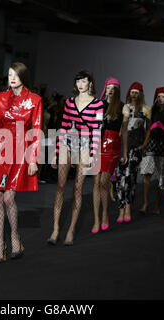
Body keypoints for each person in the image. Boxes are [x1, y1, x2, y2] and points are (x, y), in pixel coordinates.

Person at [0, 62, 42, 262]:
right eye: (9, 74)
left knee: (8, 198)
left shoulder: (35, 100)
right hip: (1, 151)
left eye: (16, 74)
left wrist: (33, 158)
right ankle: (0, 245)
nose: (12, 78)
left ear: (23, 76)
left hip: (20, 152)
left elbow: (36, 130)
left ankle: (15, 235)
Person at [47, 69, 104, 245]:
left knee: (77, 189)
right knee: (61, 186)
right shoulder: (70, 102)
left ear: (90, 83)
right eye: (78, 81)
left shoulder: (98, 104)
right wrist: (56, 153)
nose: (80, 85)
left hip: (85, 145)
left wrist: (93, 154)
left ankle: (71, 230)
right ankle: (55, 229)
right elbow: (63, 127)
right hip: (67, 143)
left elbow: (97, 130)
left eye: (83, 81)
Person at [92, 77, 128, 233]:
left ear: (118, 90)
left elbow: (124, 132)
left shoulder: (123, 107)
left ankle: (105, 213)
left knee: (103, 180)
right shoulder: (99, 105)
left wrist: (125, 152)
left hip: (113, 145)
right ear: (105, 89)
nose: (111, 90)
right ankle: (96, 219)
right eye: (108, 87)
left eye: (114, 87)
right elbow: (93, 128)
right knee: (96, 182)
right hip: (98, 143)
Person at [114, 82, 150, 222]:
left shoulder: (146, 109)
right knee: (120, 178)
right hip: (124, 145)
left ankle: (128, 207)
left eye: (137, 92)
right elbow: (122, 128)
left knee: (131, 177)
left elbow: (148, 129)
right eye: (132, 91)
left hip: (136, 148)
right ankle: (121, 209)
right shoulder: (125, 107)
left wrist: (145, 144)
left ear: (140, 93)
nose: (134, 94)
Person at [140, 87, 164, 215]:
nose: (161, 98)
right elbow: (147, 129)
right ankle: (145, 203)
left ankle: (156, 204)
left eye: (163, 96)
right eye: (159, 96)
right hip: (151, 144)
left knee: (162, 177)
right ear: (156, 97)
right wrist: (144, 144)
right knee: (146, 174)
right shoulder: (152, 110)